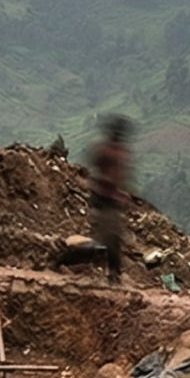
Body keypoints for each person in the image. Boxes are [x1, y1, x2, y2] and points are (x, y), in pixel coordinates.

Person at [57, 115, 135, 284]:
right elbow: (102, 172)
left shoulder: (114, 151)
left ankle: (113, 274)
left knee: (111, 238)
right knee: (109, 237)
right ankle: (110, 275)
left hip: (108, 198)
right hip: (103, 198)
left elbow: (116, 175)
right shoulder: (110, 151)